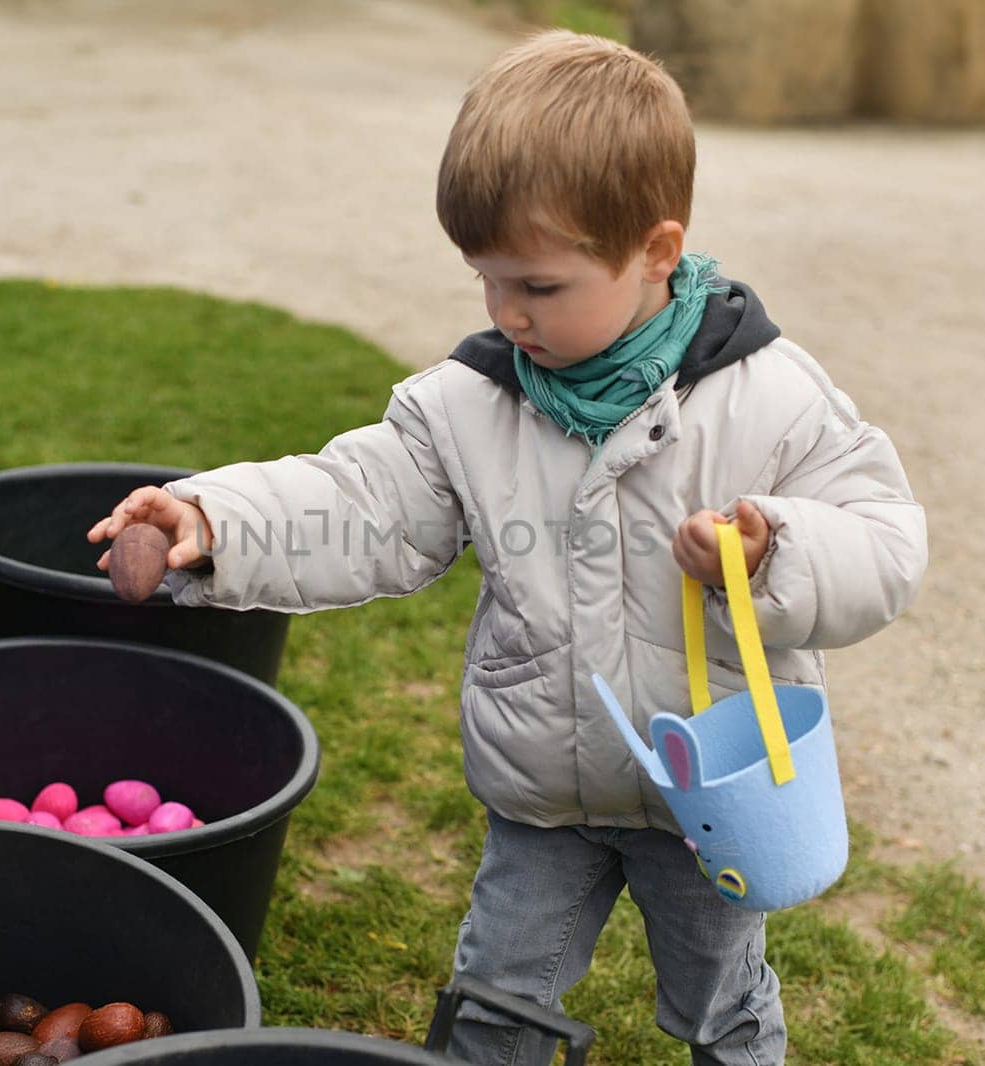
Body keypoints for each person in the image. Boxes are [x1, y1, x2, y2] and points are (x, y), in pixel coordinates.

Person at [88, 29, 926, 1066]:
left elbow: (886, 545)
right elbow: (360, 503)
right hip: (546, 793)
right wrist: (214, 520)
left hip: (705, 796)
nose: (505, 311)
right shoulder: (469, 408)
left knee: (720, 1003)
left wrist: (775, 553)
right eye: (485, 278)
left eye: (538, 284)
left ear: (656, 253)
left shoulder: (772, 397)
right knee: (494, 995)